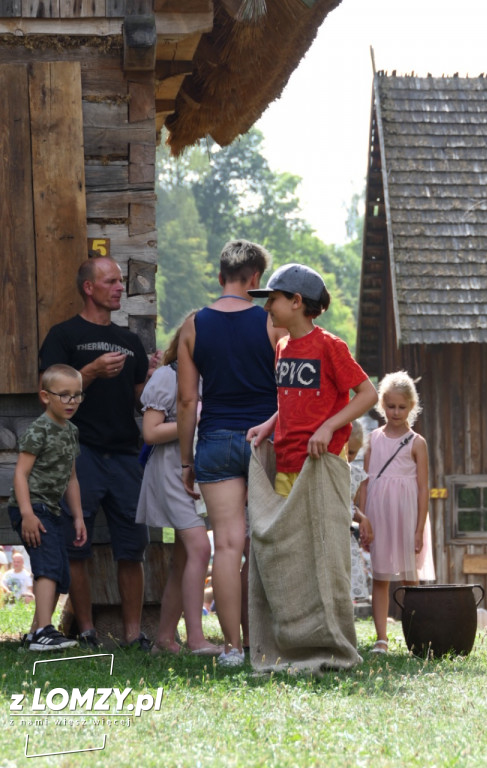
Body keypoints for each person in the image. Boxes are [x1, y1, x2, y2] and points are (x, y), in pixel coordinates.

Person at [246, 263, 378, 669]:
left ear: (297, 302)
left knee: (323, 551)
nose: (267, 306)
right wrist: (269, 424)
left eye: (274, 298)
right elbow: (289, 401)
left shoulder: (329, 346)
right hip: (285, 463)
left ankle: (332, 643)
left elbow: (367, 394)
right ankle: (294, 642)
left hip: (321, 466)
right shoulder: (283, 347)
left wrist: (329, 426)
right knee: (291, 554)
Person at [38, 256, 161, 649]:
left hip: (126, 454)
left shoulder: (129, 340)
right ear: (88, 288)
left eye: (121, 281)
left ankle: (132, 633)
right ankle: (87, 629)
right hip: (80, 453)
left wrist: (156, 380)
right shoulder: (63, 335)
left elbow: (140, 396)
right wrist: (89, 371)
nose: (119, 287)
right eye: (110, 281)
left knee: (132, 546)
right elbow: (52, 397)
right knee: (78, 545)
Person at [178, 240, 285, 667]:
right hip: (265, 440)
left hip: (216, 440)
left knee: (226, 545)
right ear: (257, 279)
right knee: (268, 543)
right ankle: (268, 641)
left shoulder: (192, 325)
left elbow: (187, 402)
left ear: (221, 276)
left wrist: (187, 461)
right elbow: (287, 389)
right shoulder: (271, 322)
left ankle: (231, 648)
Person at [135, 317, 221, 655]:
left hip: (201, 472)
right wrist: (192, 421)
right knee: (200, 548)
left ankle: (164, 640)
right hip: (171, 470)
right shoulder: (168, 376)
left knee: (185, 558)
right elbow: (151, 432)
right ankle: (196, 639)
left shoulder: (210, 379)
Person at [6, 364, 87, 650]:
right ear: (45, 396)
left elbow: (72, 478)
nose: (71, 402)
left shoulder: (72, 431)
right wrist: (27, 513)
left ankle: (35, 634)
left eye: (77, 395)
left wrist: (78, 516)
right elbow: (20, 474)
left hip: (52, 510)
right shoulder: (39, 430)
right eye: (64, 395)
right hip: (32, 508)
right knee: (48, 566)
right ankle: (43, 631)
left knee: (60, 573)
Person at [357, 370, 435, 654]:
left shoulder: (417, 443)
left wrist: (418, 528)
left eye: (402, 407)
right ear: (381, 405)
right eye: (390, 406)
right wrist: (362, 519)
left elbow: (423, 488)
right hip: (378, 515)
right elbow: (365, 483)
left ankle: (416, 634)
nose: (396, 412)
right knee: (380, 576)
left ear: (411, 407)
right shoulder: (372, 440)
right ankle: (381, 638)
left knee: (409, 579)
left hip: (406, 515)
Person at [347, 421, 373, 602]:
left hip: (345, 537)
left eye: (352, 452)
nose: (347, 457)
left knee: (347, 583)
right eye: (344, 450)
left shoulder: (355, 474)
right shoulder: (323, 469)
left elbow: (348, 505)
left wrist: (362, 518)